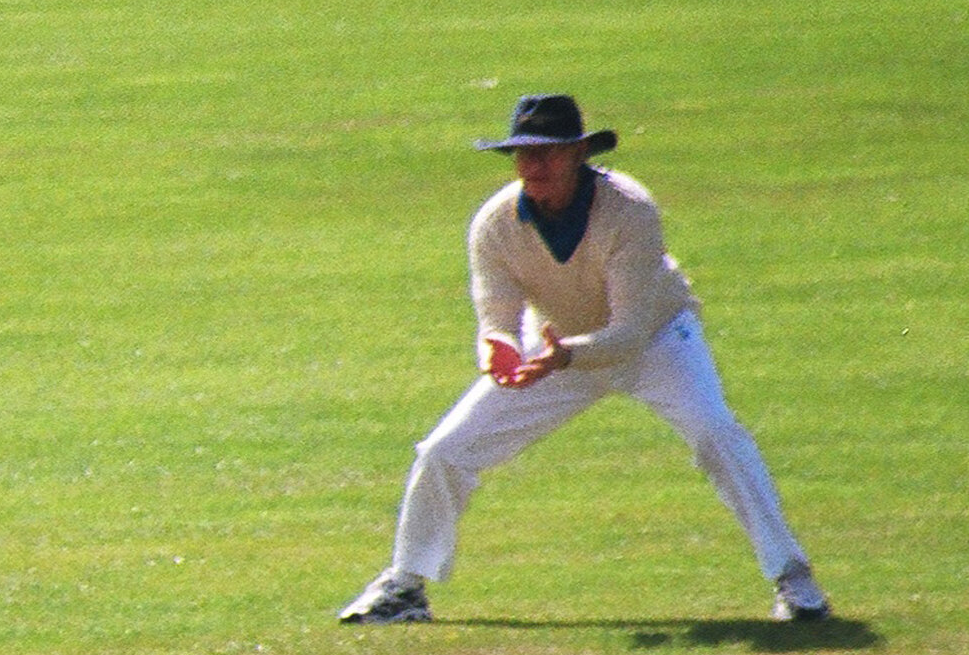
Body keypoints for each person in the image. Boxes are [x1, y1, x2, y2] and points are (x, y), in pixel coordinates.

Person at [339, 94, 825, 626]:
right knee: (444, 451)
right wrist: (498, 348)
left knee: (715, 433)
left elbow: (628, 333)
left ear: (578, 154)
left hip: (658, 341)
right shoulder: (495, 224)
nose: (533, 166)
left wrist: (563, 356)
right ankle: (405, 586)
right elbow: (496, 319)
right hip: (555, 346)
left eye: (547, 152)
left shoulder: (629, 209)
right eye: (523, 153)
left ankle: (795, 582)